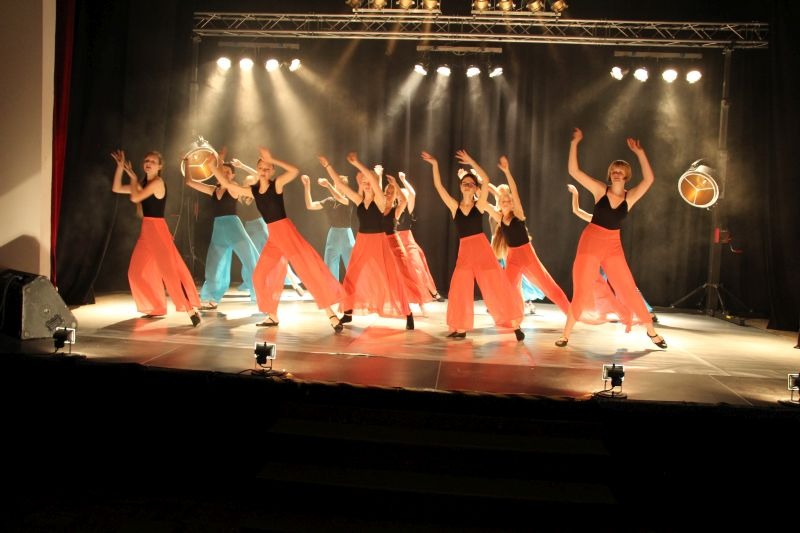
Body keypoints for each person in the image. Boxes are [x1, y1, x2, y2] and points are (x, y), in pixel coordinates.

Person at [556, 128, 666, 349]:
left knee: (628, 287)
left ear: (626, 175)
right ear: (610, 174)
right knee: (582, 290)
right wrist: (575, 143)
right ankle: (565, 335)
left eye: (620, 171)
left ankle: (652, 332)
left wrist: (640, 153)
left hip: (613, 245)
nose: (616, 173)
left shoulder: (630, 197)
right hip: (591, 241)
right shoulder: (600, 190)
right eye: (613, 170)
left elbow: (650, 179)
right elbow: (574, 171)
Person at [214, 148, 345, 331]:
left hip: (286, 233)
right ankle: (272, 315)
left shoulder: (276, 185)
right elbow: (227, 184)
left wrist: (272, 158)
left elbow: (294, 171)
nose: (264, 171)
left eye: (268, 168)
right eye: (261, 168)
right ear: (257, 169)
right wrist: (212, 167)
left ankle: (331, 315)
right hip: (274, 237)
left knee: (308, 272)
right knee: (259, 275)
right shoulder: (253, 191)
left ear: (272, 171)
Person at [421, 149, 524, 340]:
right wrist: (435, 165)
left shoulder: (480, 205)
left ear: (475, 187)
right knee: (459, 289)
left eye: (471, 184)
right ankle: (460, 329)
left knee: (496, 287)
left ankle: (515, 325)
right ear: (460, 187)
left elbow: (485, 179)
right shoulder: (455, 207)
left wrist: (470, 161)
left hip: (482, 250)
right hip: (465, 253)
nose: (467, 186)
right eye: (464, 183)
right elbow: (438, 187)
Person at [323, 153, 414, 330]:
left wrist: (358, 164)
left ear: (373, 183)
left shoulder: (380, 200)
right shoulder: (359, 200)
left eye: (369, 181)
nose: (366, 183)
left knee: (392, 278)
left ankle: (408, 313)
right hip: (362, 242)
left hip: (378, 242)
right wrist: (328, 166)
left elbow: (372, 180)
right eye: (363, 181)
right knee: (351, 277)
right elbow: (340, 185)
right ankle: (348, 312)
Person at [110, 149, 201, 326]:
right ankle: (156, 307)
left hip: (158, 230)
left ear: (159, 166)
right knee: (135, 272)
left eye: (152, 161)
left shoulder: (157, 182)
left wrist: (133, 178)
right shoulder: (144, 184)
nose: (148, 163)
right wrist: (120, 167)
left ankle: (191, 310)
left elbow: (136, 197)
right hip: (147, 231)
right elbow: (116, 188)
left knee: (170, 273)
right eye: (146, 160)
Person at [486, 155, 571, 317]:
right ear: (499, 203)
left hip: (527, 255)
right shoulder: (499, 217)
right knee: (506, 288)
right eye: (502, 201)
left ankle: (570, 311)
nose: (505, 202)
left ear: (512, 203)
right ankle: (511, 317)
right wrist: (475, 183)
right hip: (512, 257)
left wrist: (507, 172)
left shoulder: (518, 214)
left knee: (548, 286)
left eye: (508, 200)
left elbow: (514, 192)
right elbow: (484, 202)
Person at [567, 183, 657, 322]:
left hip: (609, 254)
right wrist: (575, 194)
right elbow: (577, 210)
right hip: (595, 256)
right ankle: (607, 312)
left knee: (625, 285)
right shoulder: (595, 220)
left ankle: (642, 312)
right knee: (599, 284)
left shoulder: (611, 219)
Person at [184, 161, 259, 310]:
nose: (224, 174)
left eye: (227, 172)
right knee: (213, 266)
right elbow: (189, 182)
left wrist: (242, 166)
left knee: (250, 260)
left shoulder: (233, 188)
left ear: (233, 175)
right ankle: (213, 299)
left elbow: (257, 177)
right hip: (218, 229)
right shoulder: (213, 189)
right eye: (221, 171)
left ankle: (262, 295)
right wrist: (187, 162)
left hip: (234, 228)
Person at [231, 157, 305, 296]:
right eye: (246, 182)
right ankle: (256, 284)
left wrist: (242, 166)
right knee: (255, 257)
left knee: (280, 256)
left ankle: (294, 284)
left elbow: (259, 175)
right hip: (249, 228)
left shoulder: (259, 192)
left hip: (261, 226)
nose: (248, 182)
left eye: (251, 181)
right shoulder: (242, 195)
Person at [395, 171, 446, 303]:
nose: (400, 198)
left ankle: (434, 293)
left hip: (407, 240)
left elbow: (412, 194)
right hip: (395, 241)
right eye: (399, 195)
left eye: (403, 196)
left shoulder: (408, 209)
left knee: (419, 267)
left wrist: (403, 180)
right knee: (397, 271)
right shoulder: (393, 210)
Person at [302, 168, 355, 282]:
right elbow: (310, 205)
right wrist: (307, 186)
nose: (338, 187)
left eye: (341, 185)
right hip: (333, 234)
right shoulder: (329, 201)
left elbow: (339, 198)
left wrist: (328, 185)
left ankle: (355, 291)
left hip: (346, 235)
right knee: (330, 266)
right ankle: (333, 291)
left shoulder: (349, 200)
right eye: (337, 184)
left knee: (352, 266)